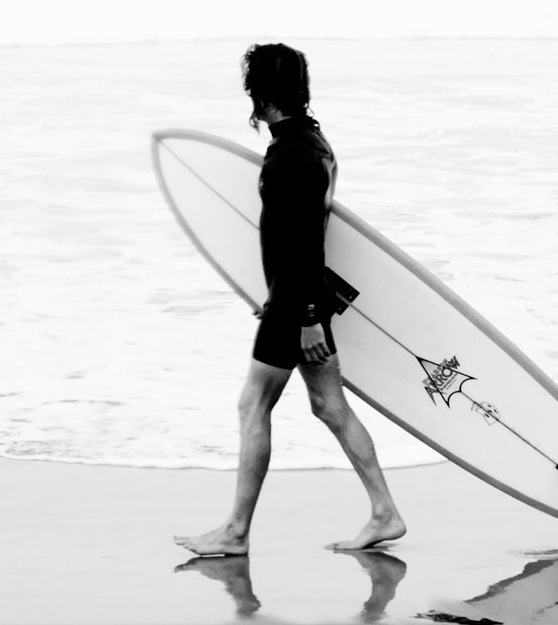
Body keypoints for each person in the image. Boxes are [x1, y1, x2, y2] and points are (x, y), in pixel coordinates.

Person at [174, 43, 406, 556]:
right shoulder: (314, 143)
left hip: (298, 306)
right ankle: (385, 512)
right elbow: (297, 236)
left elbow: (302, 240)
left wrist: (302, 316)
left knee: (253, 404)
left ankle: (236, 531)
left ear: (260, 94)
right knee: (329, 405)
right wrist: (289, 297)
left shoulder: (291, 156)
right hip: (299, 298)